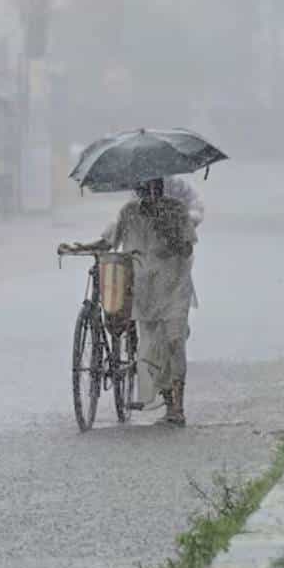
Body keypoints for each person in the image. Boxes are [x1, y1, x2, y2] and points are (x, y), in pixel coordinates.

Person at [64, 176, 198, 424]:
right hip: (145, 290)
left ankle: (177, 407)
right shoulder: (129, 212)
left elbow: (187, 248)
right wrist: (80, 248)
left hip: (174, 287)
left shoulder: (177, 210)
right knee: (151, 349)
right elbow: (109, 241)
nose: (150, 192)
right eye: (145, 188)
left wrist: (168, 231)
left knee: (174, 341)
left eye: (154, 186)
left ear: (161, 186)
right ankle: (169, 401)